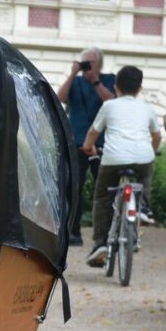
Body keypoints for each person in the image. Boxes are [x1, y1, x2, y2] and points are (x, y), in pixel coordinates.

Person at [82, 66, 162, 267]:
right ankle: (143, 205)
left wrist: (88, 147)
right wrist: (151, 150)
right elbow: (157, 136)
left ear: (116, 86)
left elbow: (93, 132)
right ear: (140, 89)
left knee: (102, 198)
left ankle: (100, 243)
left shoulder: (109, 106)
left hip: (113, 158)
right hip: (142, 157)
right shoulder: (148, 109)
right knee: (144, 175)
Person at [56, 47, 115, 245]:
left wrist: (95, 81)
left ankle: (106, 235)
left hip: (102, 143)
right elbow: (61, 98)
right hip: (77, 140)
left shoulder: (109, 80)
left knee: (106, 190)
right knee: (73, 188)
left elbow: (112, 102)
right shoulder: (76, 81)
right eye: (84, 63)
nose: (86, 67)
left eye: (90, 63)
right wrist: (73, 73)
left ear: (100, 64)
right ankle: (73, 232)